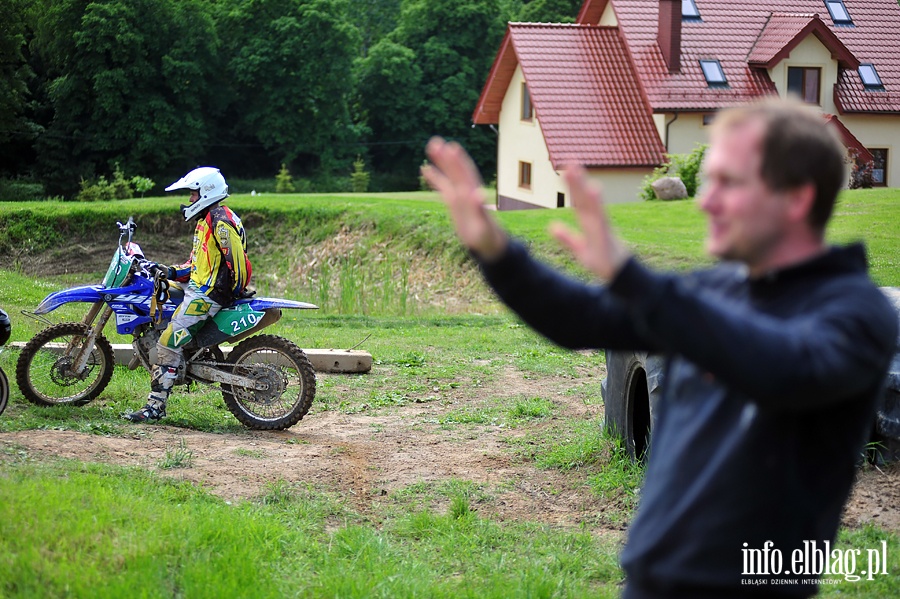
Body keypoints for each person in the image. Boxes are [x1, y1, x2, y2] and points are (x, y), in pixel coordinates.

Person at [422, 97, 898, 598]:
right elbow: (580, 319)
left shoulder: (858, 315)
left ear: (797, 198)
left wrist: (633, 278)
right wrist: (496, 251)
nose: (705, 201)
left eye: (729, 183)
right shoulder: (716, 292)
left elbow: (782, 367)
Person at [125, 167, 251, 422]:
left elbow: (238, 264)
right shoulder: (208, 219)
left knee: (168, 343)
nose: (190, 200)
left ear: (206, 192)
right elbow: (197, 265)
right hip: (200, 287)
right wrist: (168, 271)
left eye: (193, 194)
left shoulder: (220, 222)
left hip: (208, 295)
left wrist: (229, 294)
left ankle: (155, 407)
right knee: (158, 298)